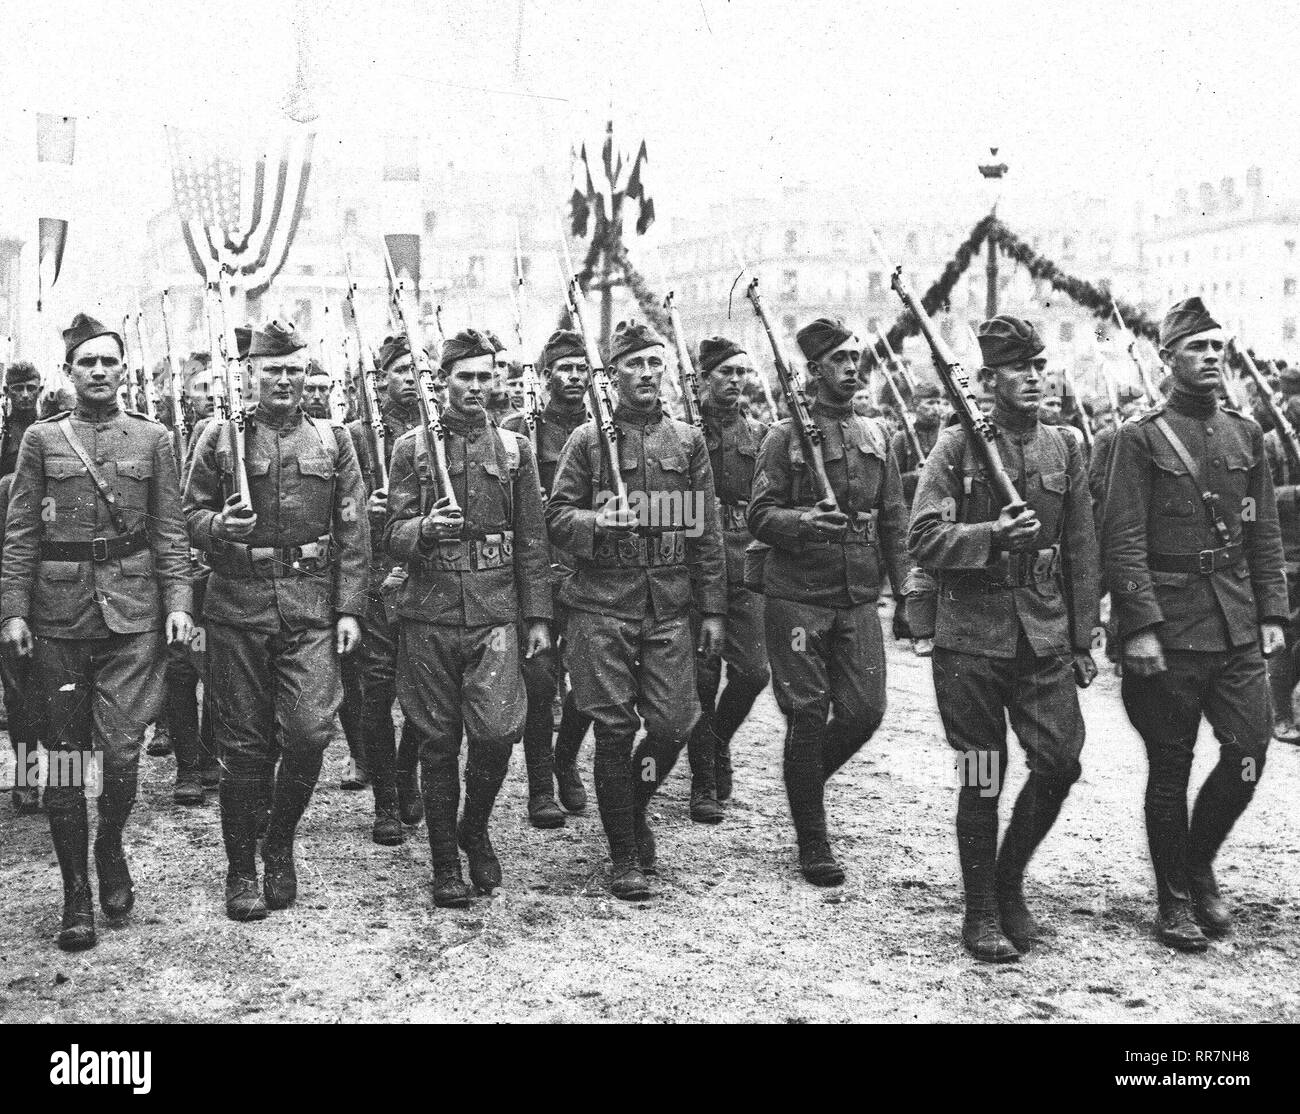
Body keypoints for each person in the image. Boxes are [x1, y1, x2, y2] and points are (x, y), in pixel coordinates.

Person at [909, 315, 1099, 962]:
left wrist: (1082, 638)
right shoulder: (956, 447)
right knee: (981, 776)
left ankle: (1008, 874)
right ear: (988, 380)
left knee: (1061, 761)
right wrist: (991, 535)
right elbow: (923, 538)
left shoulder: (1065, 445)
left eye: (1040, 368)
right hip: (970, 640)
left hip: (1042, 636)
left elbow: (1080, 545)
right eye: (1020, 369)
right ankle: (982, 910)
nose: (1036, 379)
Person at [1, 313, 193, 951]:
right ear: (70, 372)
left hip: (133, 613)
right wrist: (12, 612)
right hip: (58, 616)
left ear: (124, 369)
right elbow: (21, 533)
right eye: (88, 362)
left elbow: (170, 532)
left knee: (118, 753)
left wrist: (180, 603)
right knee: (60, 759)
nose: (100, 372)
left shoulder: (155, 439)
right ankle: (75, 895)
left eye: (110, 361)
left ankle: (109, 843)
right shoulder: (41, 440)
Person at [1104, 297, 1287, 952]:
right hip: (1170, 628)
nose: (1212, 358)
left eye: (1217, 347)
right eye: (1197, 349)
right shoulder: (1140, 437)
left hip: (1234, 623)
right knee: (1170, 768)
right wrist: (1141, 627)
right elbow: (1121, 540)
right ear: (1167, 359)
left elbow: (1262, 534)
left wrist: (1270, 613)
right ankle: (1174, 899)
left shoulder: (1247, 435)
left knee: (1248, 752)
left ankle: (1197, 858)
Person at [183, 320, 369, 922]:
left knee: (312, 731)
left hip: (310, 606)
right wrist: (218, 528)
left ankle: (280, 839)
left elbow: (353, 530)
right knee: (244, 747)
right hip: (237, 605)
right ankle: (241, 868)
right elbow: (187, 514)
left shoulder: (333, 439)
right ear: (250, 376)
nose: (284, 380)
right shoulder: (218, 438)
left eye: (294, 370)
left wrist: (348, 608)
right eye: (273, 371)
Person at [547, 320, 725, 899]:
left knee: (675, 723)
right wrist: (598, 523)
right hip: (603, 603)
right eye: (635, 365)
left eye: (655, 363)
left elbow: (706, 531)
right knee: (616, 728)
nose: (648, 374)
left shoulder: (688, 441)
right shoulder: (587, 440)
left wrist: (714, 609)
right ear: (614, 374)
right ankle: (622, 851)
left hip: (668, 603)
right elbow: (555, 518)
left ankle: (634, 803)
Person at [385, 329, 551, 907]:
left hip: (495, 610)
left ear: (498, 380)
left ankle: (474, 825)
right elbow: (390, 533)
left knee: (499, 732)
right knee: (436, 742)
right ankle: (443, 865)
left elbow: (533, 539)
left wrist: (537, 618)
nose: (477, 387)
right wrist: (423, 530)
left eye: (486, 376)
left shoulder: (514, 450)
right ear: (444, 382)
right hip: (429, 611)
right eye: (466, 377)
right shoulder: (412, 448)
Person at [747, 316, 909, 887]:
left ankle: (802, 782)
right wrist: (804, 522)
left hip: (858, 594)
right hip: (797, 595)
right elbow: (759, 516)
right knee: (808, 713)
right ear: (814, 370)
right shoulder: (782, 436)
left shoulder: (877, 434)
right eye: (838, 359)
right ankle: (813, 839)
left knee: (865, 712)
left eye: (855, 357)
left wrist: (906, 590)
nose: (851, 367)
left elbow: (894, 520)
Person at [501, 330, 595, 827]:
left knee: (590, 682)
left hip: (587, 574)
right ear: (545, 376)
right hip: (534, 574)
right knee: (539, 682)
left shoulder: (603, 431)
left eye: (582, 368)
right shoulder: (517, 430)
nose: (575, 378)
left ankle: (566, 757)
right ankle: (541, 787)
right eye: (565, 369)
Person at [343, 335, 427, 840]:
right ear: (383, 379)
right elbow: (339, 509)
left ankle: (405, 769)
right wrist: (370, 512)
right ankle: (386, 799)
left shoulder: (438, 435)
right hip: (375, 574)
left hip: (424, 574)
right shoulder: (355, 435)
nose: (412, 381)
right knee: (376, 692)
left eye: (420, 371)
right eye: (401, 371)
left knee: (424, 691)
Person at [684, 336, 770, 822]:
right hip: (694, 569)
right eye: (725, 373)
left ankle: (717, 743)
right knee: (701, 679)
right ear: (701, 379)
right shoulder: (680, 432)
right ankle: (703, 781)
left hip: (745, 564)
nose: (736, 381)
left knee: (754, 672)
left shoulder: (759, 435)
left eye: (742, 372)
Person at [1, 361, 44, 809]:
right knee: (20, 694)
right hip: (14, 583)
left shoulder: (54, 431)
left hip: (62, 591)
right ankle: (29, 778)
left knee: (70, 694)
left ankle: (68, 782)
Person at [1263, 365, 1300, 742]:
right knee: (1285, 634)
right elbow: (1251, 503)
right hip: (1286, 554)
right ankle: (1281, 715)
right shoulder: (1270, 444)